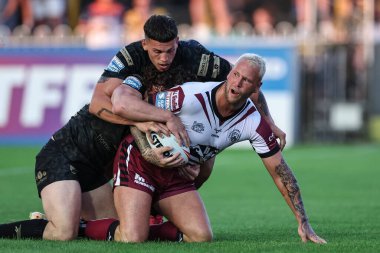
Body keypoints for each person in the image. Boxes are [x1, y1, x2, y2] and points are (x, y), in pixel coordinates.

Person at [0, 15, 284, 241]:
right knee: (64, 232)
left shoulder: (196, 57)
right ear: (145, 43)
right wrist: (148, 120)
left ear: (178, 42)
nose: (164, 58)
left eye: (170, 50)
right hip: (69, 154)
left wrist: (269, 123)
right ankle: (16, 229)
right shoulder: (131, 57)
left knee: (130, 224)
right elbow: (97, 105)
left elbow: (245, 83)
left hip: (104, 167)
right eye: (157, 51)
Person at [82, 54, 326, 244]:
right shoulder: (190, 96)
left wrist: (302, 221)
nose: (237, 83)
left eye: (246, 81)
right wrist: (150, 145)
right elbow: (137, 106)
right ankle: (80, 227)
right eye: (235, 75)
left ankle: (147, 225)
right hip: (139, 161)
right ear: (229, 74)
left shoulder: (253, 122)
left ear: (256, 87)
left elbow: (280, 173)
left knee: (201, 236)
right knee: (133, 238)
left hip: (177, 173)